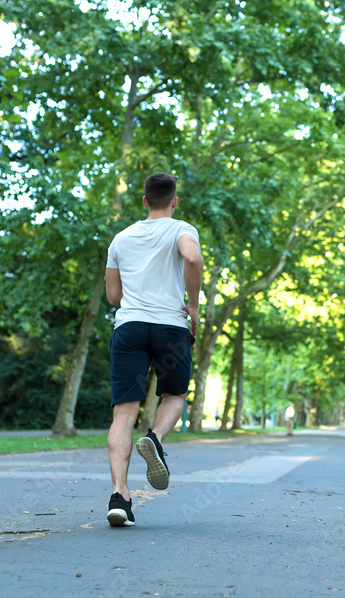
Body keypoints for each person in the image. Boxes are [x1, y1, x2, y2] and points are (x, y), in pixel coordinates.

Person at [103, 172, 203, 527]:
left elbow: (113, 297)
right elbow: (192, 258)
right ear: (174, 201)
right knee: (174, 394)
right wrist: (193, 306)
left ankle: (119, 498)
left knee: (123, 413)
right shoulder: (181, 229)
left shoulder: (120, 238)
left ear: (145, 201)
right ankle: (155, 440)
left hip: (129, 329)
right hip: (169, 328)